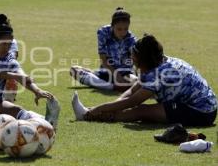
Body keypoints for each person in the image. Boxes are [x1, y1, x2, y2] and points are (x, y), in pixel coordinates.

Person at [72, 34, 217, 126]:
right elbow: (132, 90)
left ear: (143, 60)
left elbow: (133, 101)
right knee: (138, 110)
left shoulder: (160, 74)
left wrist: (99, 109)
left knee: (141, 111)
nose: (132, 60)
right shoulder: (158, 61)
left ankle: (87, 116)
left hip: (201, 112)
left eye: (134, 57)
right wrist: (112, 105)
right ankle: (88, 112)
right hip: (198, 104)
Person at [70, 7, 137, 92]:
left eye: (126, 29)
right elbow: (103, 60)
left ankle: (103, 85)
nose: (123, 33)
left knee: (137, 81)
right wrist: (116, 76)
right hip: (105, 72)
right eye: (119, 29)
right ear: (112, 26)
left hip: (125, 74)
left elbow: (136, 62)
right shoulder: (103, 32)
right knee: (74, 70)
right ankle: (113, 87)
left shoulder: (131, 39)